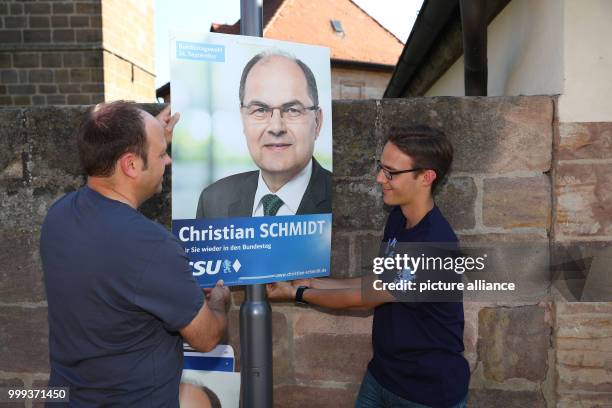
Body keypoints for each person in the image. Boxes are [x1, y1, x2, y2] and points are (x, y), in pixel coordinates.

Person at [40, 101, 230, 407]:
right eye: (161, 153)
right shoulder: (152, 247)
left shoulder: (58, 217)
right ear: (130, 165)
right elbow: (206, 337)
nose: (167, 160)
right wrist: (221, 303)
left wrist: (149, 135)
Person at [267, 126, 470, 408]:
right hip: (383, 376)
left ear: (426, 177)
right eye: (381, 167)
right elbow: (379, 281)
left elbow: (362, 299)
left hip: (426, 394)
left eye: (391, 172)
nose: (379, 178)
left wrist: (296, 294)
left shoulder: (433, 246)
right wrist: (315, 282)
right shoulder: (399, 218)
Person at [196, 51, 331, 218]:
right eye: (260, 110)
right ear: (243, 119)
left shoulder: (342, 199)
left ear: (317, 121)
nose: (276, 127)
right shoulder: (213, 201)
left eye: (292, 110)